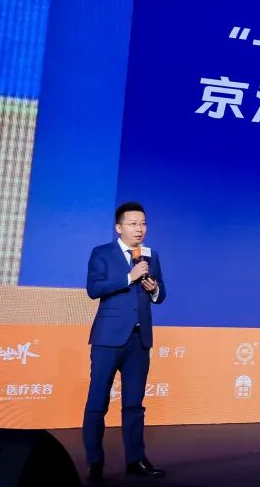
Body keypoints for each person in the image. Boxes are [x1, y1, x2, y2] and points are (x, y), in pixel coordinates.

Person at [82, 202, 166, 481]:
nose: (140, 229)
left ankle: (136, 459)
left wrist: (154, 289)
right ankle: (95, 462)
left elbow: (161, 295)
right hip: (108, 339)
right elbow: (94, 289)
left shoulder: (151, 255)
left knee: (134, 404)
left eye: (143, 223)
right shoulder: (102, 253)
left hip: (139, 340)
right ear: (119, 227)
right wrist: (129, 277)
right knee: (97, 403)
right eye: (133, 223)